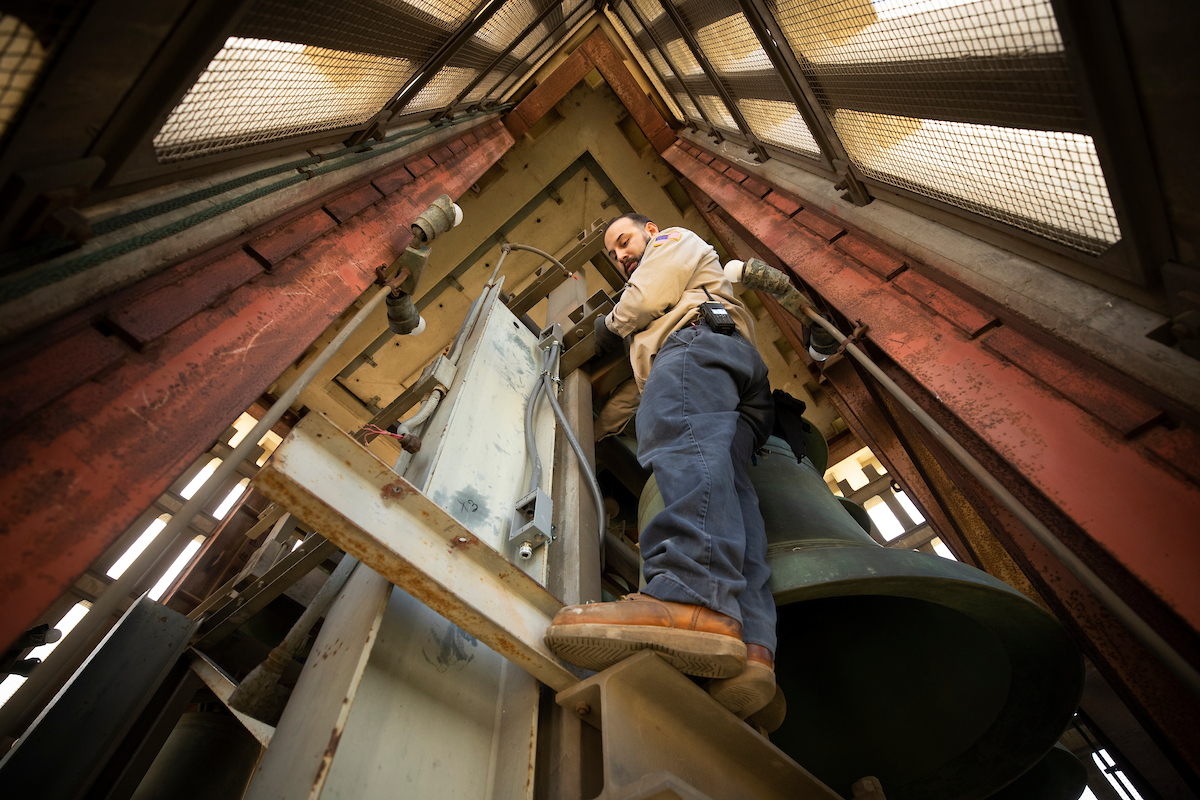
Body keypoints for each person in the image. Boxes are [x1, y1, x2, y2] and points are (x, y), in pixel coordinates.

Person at [544, 213, 778, 720]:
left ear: (649, 230)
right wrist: (591, 429)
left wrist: (607, 329)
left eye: (624, 241)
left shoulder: (671, 243)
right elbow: (636, 393)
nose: (621, 255)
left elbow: (645, 297)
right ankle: (753, 648)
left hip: (697, 341)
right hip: (728, 368)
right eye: (613, 254)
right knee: (732, 495)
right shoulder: (660, 318)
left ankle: (690, 597)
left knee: (680, 444)